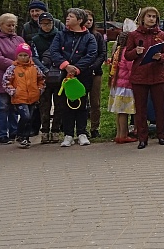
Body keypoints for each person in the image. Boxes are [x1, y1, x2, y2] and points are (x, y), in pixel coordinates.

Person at [124, 7, 164, 149]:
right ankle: (142, 138)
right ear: (143, 18)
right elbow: (127, 55)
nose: (151, 19)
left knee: (160, 107)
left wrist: (160, 57)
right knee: (141, 108)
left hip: (158, 76)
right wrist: (136, 52)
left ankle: (161, 135)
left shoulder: (162, 35)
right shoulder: (134, 35)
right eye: (149, 16)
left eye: (154, 17)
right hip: (139, 76)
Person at [50, 8, 98, 147]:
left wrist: (76, 68)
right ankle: (68, 134)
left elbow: (91, 54)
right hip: (64, 74)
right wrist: (66, 66)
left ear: (79, 20)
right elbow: (54, 51)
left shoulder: (89, 37)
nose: (67, 18)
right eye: (67, 16)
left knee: (82, 104)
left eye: (71, 16)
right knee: (65, 105)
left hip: (82, 75)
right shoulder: (60, 35)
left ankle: (82, 132)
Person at [0, 13, 26, 144]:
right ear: (0, 25)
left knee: (14, 107)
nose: (11, 28)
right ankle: (2, 134)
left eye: (13, 25)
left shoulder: (19, 39)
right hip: (0, 77)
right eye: (8, 25)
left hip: (17, 78)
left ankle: (14, 132)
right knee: (2, 107)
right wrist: (15, 64)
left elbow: (26, 54)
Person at [2, 43, 45, 148]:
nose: (23, 57)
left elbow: (42, 79)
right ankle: (20, 134)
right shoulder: (13, 68)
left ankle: (25, 138)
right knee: (25, 116)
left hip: (33, 97)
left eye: (25, 55)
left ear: (29, 56)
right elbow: (6, 81)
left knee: (30, 118)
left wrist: (40, 90)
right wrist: (13, 91)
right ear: (16, 56)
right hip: (19, 98)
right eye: (20, 55)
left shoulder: (35, 68)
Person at [31, 12, 63, 143]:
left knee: (59, 103)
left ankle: (55, 130)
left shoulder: (60, 36)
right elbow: (34, 56)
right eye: (43, 24)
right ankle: (44, 131)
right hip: (43, 75)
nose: (46, 26)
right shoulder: (35, 39)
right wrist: (43, 69)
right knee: (44, 105)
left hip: (59, 73)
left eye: (49, 23)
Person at [107, 32, 137, 144]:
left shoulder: (117, 50)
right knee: (124, 111)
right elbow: (130, 69)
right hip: (126, 86)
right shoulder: (126, 52)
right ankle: (123, 135)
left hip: (117, 85)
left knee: (119, 112)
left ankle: (119, 134)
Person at [84, 10, 107, 139]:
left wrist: (94, 66)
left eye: (90, 20)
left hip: (95, 72)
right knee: (81, 101)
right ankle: (82, 128)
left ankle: (94, 127)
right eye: (86, 20)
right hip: (81, 72)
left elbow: (102, 53)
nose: (88, 22)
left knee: (95, 101)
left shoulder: (97, 36)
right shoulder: (77, 36)